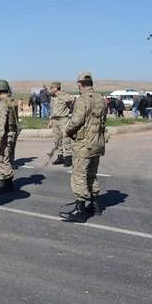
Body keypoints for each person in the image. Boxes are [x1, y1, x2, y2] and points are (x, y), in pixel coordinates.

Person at [59, 71, 107, 223]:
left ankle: (80, 210)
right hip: (98, 143)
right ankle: (95, 206)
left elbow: (76, 120)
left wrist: (66, 130)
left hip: (84, 145)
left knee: (79, 176)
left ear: (80, 84)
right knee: (92, 175)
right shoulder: (101, 99)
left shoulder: (82, 100)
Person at [0, 80, 18, 192]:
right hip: (13, 132)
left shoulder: (2, 103)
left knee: (2, 159)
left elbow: (1, 122)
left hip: (6, 134)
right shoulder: (12, 101)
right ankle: (5, 181)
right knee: (8, 158)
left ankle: (8, 183)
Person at [48, 81, 75, 167]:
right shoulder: (53, 97)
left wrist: (70, 111)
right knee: (56, 139)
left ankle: (68, 157)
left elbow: (72, 99)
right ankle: (60, 156)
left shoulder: (64, 95)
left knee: (66, 139)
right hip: (55, 120)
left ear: (56, 88)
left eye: (51, 88)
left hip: (63, 119)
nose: (50, 89)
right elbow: (52, 109)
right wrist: (51, 120)